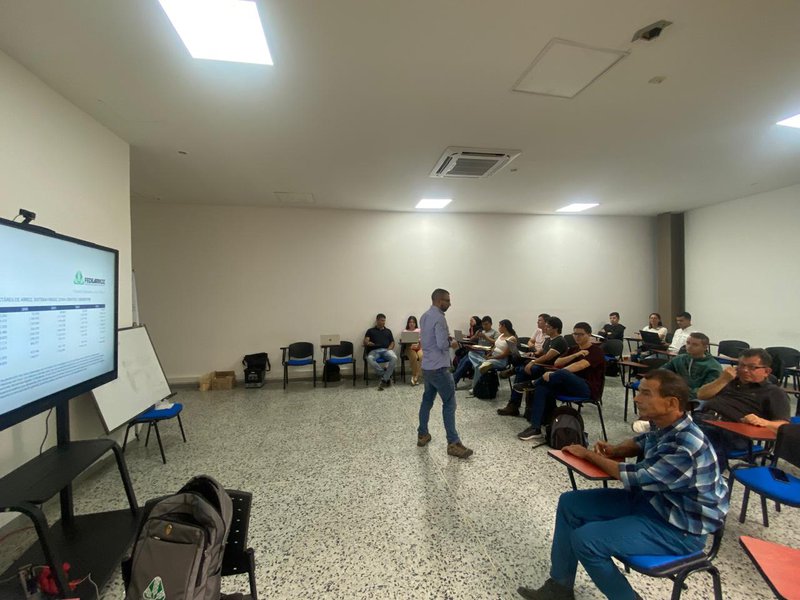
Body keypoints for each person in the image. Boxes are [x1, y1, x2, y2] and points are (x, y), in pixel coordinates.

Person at [517, 370, 728, 600]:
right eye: (639, 393)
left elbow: (636, 476)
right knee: (570, 503)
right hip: (654, 502)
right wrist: (616, 450)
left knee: (586, 540)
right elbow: (642, 441)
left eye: (646, 394)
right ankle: (559, 587)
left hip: (680, 529)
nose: (637, 399)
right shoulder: (665, 424)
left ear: (672, 403)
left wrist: (588, 455)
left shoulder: (686, 445)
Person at [694, 348, 790, 470]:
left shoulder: (774, 393)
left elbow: (784, 426)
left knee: (692, 438)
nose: (744, 370)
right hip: (704, 419)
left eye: (752, 367)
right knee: (671, 427)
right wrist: (723, 380)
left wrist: (763, 422)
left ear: (766, 371)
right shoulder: (729, 381)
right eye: (741, 365)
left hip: (733, 433)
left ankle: (709, 477)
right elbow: (701, 395)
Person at [518, 322, 606, 441]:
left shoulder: (596, 351)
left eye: (581, 334)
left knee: (562, 373)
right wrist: (576, 354)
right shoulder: (574, 349)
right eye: (575, 334)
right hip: (569, 386)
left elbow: (579, 366)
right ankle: (535, 428)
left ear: (589, 335)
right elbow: (557, 362)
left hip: (587, 389)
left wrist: (555, 374)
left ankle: (532, 383)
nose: (577, 337)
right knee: (542, 388)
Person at [417, 289, 473, 459]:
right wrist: (453, 343)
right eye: (447, 300)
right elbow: (441, 344)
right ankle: (453, 443)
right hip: (440, 368)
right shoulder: (440, 318)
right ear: (439, 300)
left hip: (427, 366)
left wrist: (445, 339)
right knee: (449, 403)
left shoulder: (425, 316)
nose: (450, 303)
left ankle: (422, 434)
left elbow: (430, 339)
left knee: (427, 400)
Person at [630, 332, 723, 433]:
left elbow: (705, 392)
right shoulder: (680, 358)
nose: (689, 346)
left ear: (705, 347)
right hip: (678, 393)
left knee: (668, 401)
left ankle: (654, 424)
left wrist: (680, 393)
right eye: (688, 343)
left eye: (695, 344)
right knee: (654, 396)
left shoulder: (713, 367)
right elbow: (661, 373)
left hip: (698, 400)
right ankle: (653, 423)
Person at [498, 316, 568, 417]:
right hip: (541, 365)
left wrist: (533, 362)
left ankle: (514, 405)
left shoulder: (560, 340)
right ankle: (515, 404)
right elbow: (542, 352)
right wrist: (533, 354)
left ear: (555, 328)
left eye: (548, 327)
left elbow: (548, 357)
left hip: (549, 369)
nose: (545, 328)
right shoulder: (549, 339)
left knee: (522, 371)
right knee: (522, 367)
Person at [469, 319, 517, 397]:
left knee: (479, 367)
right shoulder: (501, 335)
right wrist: (489, 355)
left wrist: (492, 357)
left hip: (501, 361)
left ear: (504, 326)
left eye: (499, 326)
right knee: (471, 353)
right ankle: (483, 362)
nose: (498, 328)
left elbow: (505, 355)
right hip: (492, 357)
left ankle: (474, 388)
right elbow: (494, 347)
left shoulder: (512, 339)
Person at [452, 316, 498, 386]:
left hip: (485, 352)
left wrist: (485, 337)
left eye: (486, 324)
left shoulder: (494, 333)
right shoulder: (481, 331)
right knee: (462, 360)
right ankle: (453, 380)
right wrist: (475, 336)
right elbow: (471, 340)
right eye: (483, 324)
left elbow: (496, 343)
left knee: (466, 361)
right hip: (477, 350)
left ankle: (453, 381)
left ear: (491, 324)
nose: (484, 326)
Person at [363, 313, 397, 390]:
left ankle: (384, 378)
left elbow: (392, 342)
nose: (383, 322)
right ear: (377, 320)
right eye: (382, 320)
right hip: (374, 351)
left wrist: (390, 347)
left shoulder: (388, 331)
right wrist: (367, 343)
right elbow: (365, 341)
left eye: (384, 321)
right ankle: (386, 376)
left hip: (386, 350)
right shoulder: (370, 331)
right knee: (369, 358)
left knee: (394, 357)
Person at [403, 315, 423, 386]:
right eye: (410, 322)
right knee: (414, 357)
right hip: (410, 348)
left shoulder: (419, 330)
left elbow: (423, 339)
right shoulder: (405, 331)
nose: (412, 324)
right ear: (408, 323)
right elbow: (403, 341)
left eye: (413, 322)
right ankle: (415, 376)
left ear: (415, 323)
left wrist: (418, 340)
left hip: (419, 347)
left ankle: (416, 376)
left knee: (422, 356)